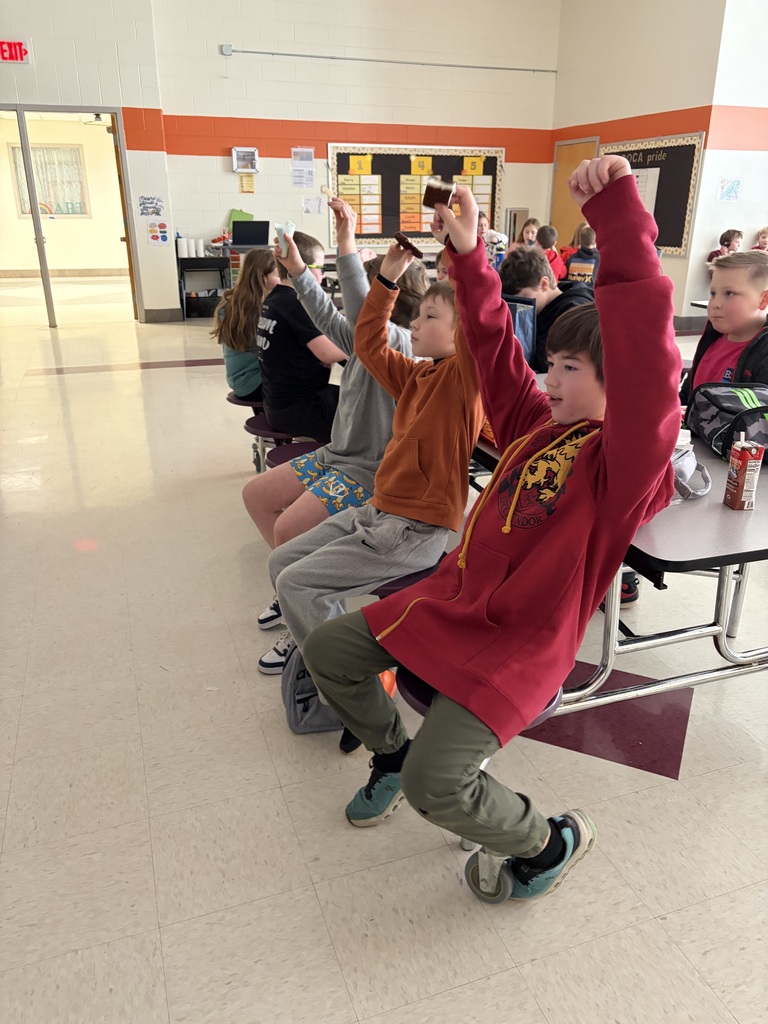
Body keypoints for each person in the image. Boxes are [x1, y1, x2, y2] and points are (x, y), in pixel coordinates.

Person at [301, 156, 681, 904]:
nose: (551, 380)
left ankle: (548, 841)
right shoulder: (539, 429)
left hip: (522, 645)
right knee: (328, 652)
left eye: (570, 369)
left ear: (616, 386)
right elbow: (494, 351)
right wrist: (471, 257)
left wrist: (620, 225)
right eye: (555, 364)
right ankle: (387, 754)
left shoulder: (624, 468)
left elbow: (649, 362)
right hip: (454, 604)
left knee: (438, 785)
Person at [267, 239, 484, 698]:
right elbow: (367, 340)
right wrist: (386, 276)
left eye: (429, 317)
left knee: (298, 585)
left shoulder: (463, 380)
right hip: (380, 514)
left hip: (412, 530)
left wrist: (465, 252)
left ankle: (349, 688)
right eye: (417, 313)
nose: (413, 323)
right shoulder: (418, 376)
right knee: (282, 562)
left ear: (462, 331)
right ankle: (336, 664)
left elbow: (487, 327)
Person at [244, 202, 427, 674]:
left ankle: (306, 619)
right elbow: (325, 314)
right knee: (258, 495)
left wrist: (347, 244)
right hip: (336, 453)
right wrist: (299, 269)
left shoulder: (399, 346)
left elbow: (360, 310)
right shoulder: (366, 340)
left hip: (368, 470)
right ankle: (294, 593)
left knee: (287, 530)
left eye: (360, 303)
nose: (349, 310)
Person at [256, 230, 347, 440]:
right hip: (300, 410)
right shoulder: (296, 302)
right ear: (302, 266)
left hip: (277, 405)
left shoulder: (275, 298)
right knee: (369, 411)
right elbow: (327, 353)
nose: (323, 275)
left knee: (354, 397)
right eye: (320, 268)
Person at [680, 249, 768, 403]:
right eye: (713, 294)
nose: (715, 304)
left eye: (729, 293)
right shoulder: (711, 338)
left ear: (763, 299)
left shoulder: (764, 354)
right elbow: (689, 393)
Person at [499, 246, 593, 372]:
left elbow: (544, 360)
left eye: (523, 298)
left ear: (544, 284)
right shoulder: (544, 307)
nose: (519, 306)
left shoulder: (573, 311)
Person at [211, 249, 279, 413]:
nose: (284, 280)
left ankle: (267, 427)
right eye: (278, 275)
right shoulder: (260, 308)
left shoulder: (232, 302)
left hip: (240, 381)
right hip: (255, 383)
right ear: (262, 278)